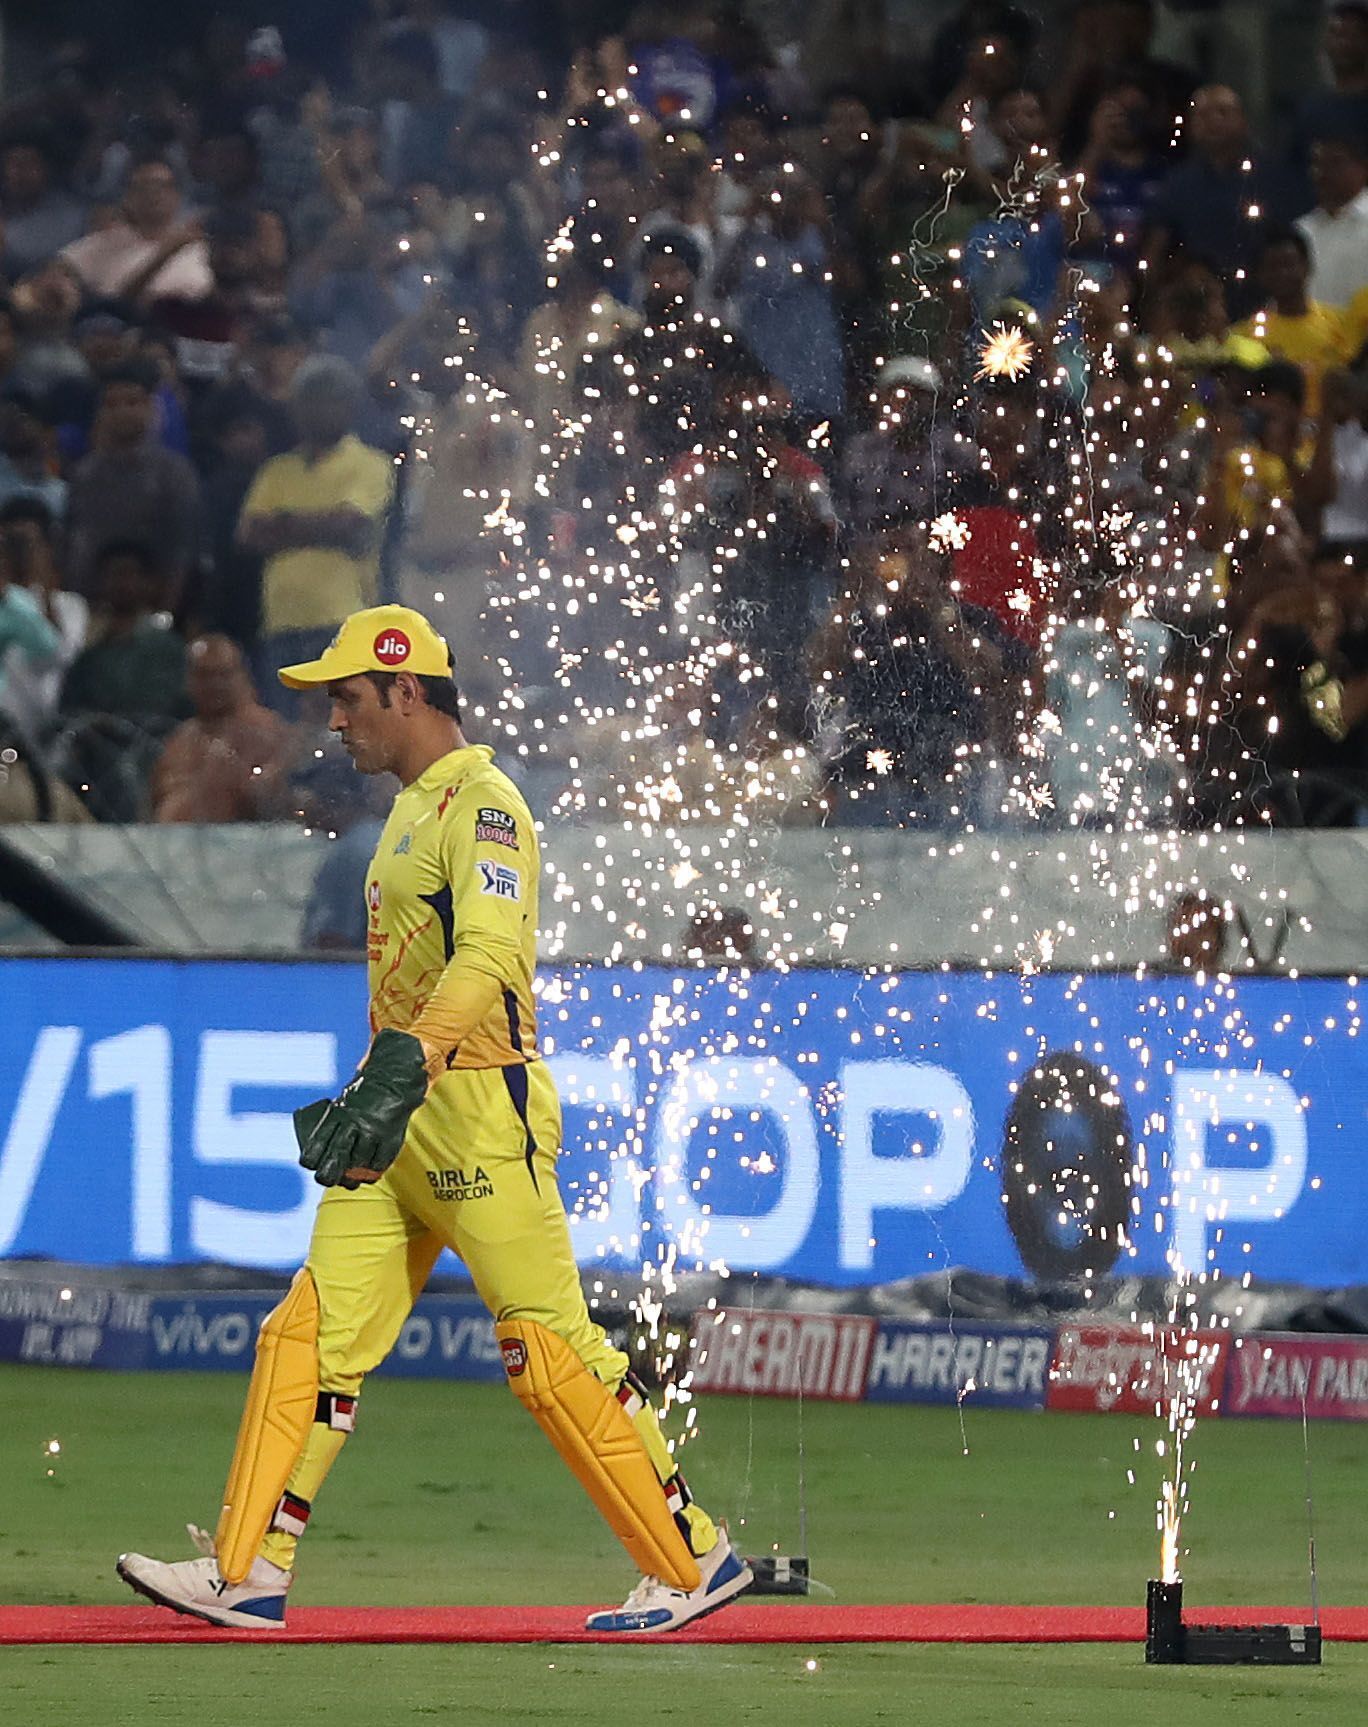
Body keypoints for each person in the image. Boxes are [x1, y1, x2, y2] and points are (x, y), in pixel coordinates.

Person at [116, 602, 751, 1634]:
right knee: (309, 1332)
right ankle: (247, 1570)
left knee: (546, 1350)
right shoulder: (411, 806)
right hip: (399, 1111)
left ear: (407, 689)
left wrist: (406, 1058)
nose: (335, 722)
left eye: (350, 699)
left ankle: (692, 1558)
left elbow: (490, 956)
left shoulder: (485, 804)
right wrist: (389, 1071)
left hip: (475, 1105)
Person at [237, 355, 393, 705]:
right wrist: (322, 524)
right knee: (286, 741)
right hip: (280, 622)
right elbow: (248, 535)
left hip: (342, 620)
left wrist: (282, 523)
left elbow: (350, 523)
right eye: (306, 401)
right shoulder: (278, 469)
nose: (313, 411)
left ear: (349, 406)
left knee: (341, 735)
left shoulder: (370, 463)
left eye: (326, 400)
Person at [149, 634, 292, 822]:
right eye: (204, 675)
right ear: (188, 680)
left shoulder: (268, 731)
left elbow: (270, 798)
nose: (215, 684)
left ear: (242, 676)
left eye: (224, 674)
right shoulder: (180, 740)